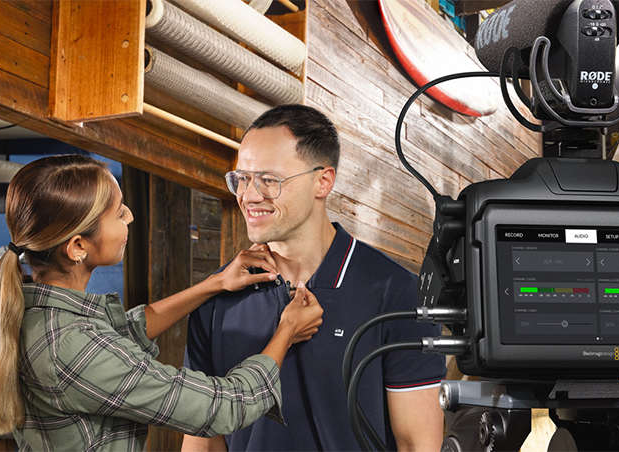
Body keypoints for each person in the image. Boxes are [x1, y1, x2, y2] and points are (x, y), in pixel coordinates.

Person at [0, 154, 324, 451]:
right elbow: (222, 407)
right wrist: (287, 331)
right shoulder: (69, 345)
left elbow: (124, 332)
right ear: (77, 247)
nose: (129, 216)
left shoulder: (39, 315)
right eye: (117, 213)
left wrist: (215, 283)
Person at [182, 104, 447, 452]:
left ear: (322, 181)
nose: (248, 195)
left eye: (269, 180)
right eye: (242, 178)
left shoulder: (397, 294)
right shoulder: (215, 298)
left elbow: (417, 444)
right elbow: (205, 440)